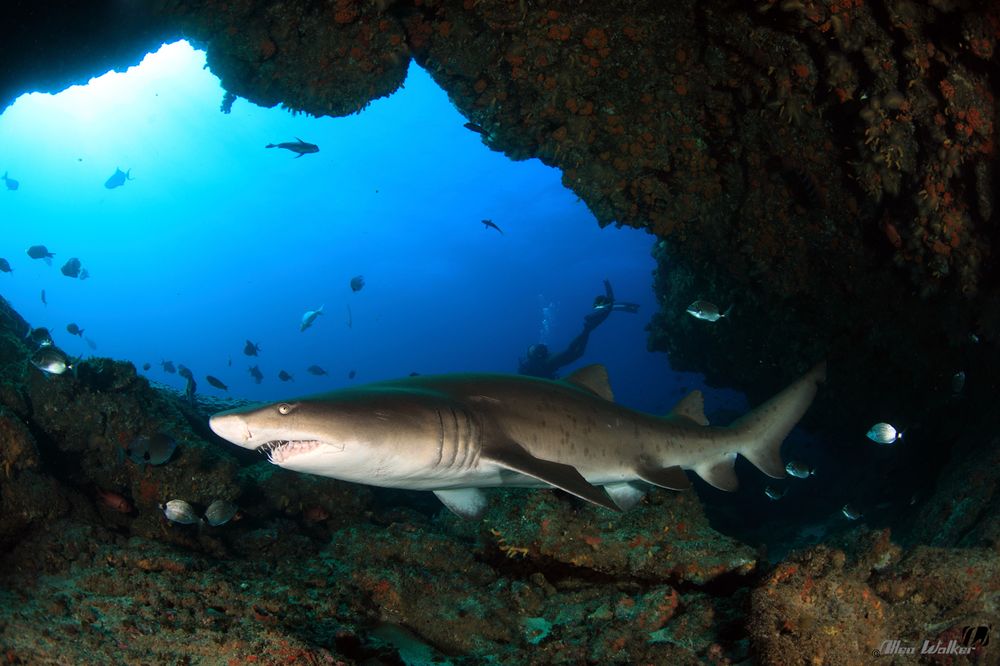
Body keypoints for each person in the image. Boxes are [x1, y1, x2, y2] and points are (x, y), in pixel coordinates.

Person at [518, 280, 639, 379]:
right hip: (544, 363)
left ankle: (587, 328)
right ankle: (587, 329)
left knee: (572, 352)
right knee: (577, 353)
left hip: (545, 364)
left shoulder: (537, 365)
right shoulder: (532, 364)